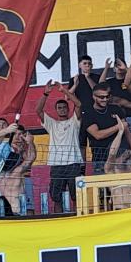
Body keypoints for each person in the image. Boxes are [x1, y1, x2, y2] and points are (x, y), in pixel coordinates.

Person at [36, 80, 83, 213]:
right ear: (56, 110)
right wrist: (46, 93)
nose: (62, 109)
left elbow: (79, 104)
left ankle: (77, 220)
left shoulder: (74, 121)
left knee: (76, 196)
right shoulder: (51, 124)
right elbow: (38, 110)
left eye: (64, 107)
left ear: (68, 109)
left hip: (73, 163)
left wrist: (64, 91)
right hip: (56, 165)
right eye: (59, 108)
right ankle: (59, 220)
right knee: (56, 197)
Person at [83, 82, 131, 174]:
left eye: (107, 96)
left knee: (123, 186)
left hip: (120, 158)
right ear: (94, 96)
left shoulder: (115, 109)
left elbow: (127, 130)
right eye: (101, 97)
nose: (105, 99)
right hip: (101, 160)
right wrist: (118, 127)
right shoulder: (88, 114)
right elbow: (97, 135)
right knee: (103, 187)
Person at [0, 129, 36, 216]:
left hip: (10, 213)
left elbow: (29, 159)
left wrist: (29, 143)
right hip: (8, 213)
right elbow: (30, 158)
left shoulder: (14, 173)